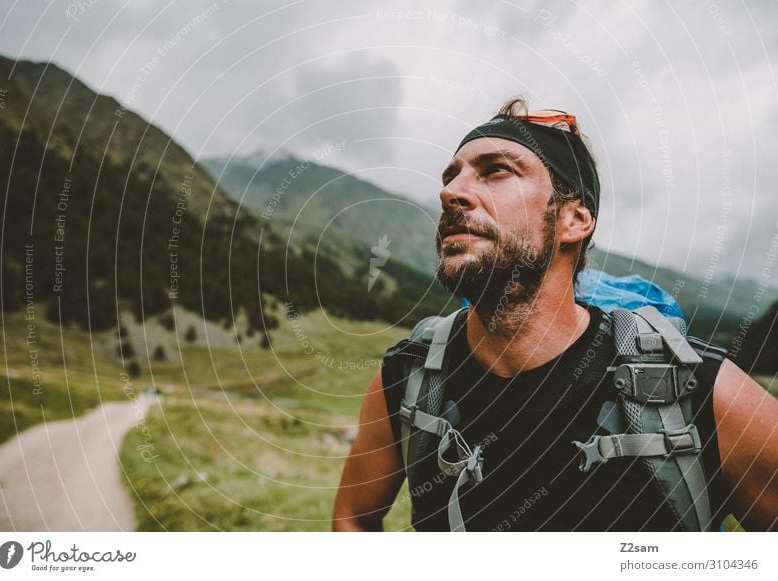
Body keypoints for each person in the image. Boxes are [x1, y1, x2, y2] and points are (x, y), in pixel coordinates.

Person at [332, 97, 778, 532]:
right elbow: (353, 519)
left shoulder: (700, 391)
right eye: (452, 177)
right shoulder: (407, 378)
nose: (451, 192)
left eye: (496, 171)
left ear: (574, 220)